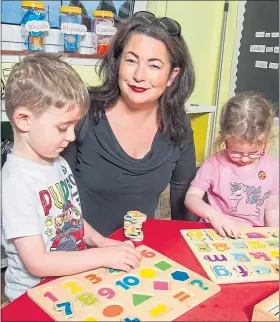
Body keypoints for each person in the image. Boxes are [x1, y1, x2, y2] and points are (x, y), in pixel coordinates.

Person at [2, 53, 141, 301]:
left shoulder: (58, 163)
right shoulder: (16, 183)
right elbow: (37, 263)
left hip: (69, 284)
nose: (72, 137)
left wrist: (100, 242)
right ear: (24, 120)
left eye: (74, 127)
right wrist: (101, 257)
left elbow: (72, 217)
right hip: (33, 298)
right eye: (62, 127)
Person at [61, 11, 197, 236]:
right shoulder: (83, 112)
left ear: (172, 76)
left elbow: (184, 201)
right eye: (131, 60)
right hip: (78, 254)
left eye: (154, 66)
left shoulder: (178, 128)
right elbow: (57, 197)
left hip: (137, 257)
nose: (139, 76)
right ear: (117, 63)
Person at [185, 92, 279, 238]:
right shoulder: (214, 163)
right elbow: (191, 197)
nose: (245, 159)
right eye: (236, 152)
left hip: (253, 236)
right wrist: (213, 215)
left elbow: (272, 208)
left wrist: (275, 234)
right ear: (225, 139)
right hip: (215, 232)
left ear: (266, 140)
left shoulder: (273, 167)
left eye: (253, 152)